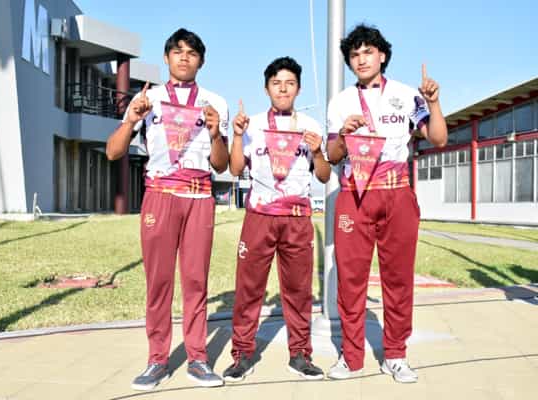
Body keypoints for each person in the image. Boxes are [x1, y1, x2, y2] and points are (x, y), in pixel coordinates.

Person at [106, 28, 229, 390]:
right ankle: (157, 360)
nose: (184, 57)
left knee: (195, 281)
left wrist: (217, 133)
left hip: (199, 196)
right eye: (177, 51)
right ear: (166, 58)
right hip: (159, 193)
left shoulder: (214, 102)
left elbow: (221, 166)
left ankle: (198, 359)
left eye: (192, 52)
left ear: (201, 61)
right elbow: (113, 152)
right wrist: (131, 119)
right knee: (158, 282)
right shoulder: (148, 98)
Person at [326, 24, 447, 383]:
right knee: (350, 280)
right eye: (354, 55)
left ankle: (396, 354)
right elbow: (332, 155)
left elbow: (438, 138)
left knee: (397, 279)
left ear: (381, 55)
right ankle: (351, 358)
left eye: (368, 52)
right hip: (354, 194)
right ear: (349, 62)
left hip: (397, 193)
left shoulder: (408, 95)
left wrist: (434, 101)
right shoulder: (341, 101)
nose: (361, 60)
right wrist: (345, 134)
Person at [222, 57, 331, 382]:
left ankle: (300, 355)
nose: (283, 88)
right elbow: (234, 168)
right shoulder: (252, 124)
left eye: (290, 83)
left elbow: (323, 176)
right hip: (260, 216)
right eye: (276, 83)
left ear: (298, 88)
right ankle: (242, 354)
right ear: (267, 87)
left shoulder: (311, 126)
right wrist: (237, 136)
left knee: (299, 291)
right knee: (249, 288)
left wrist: (318, 152)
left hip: (297, 218)